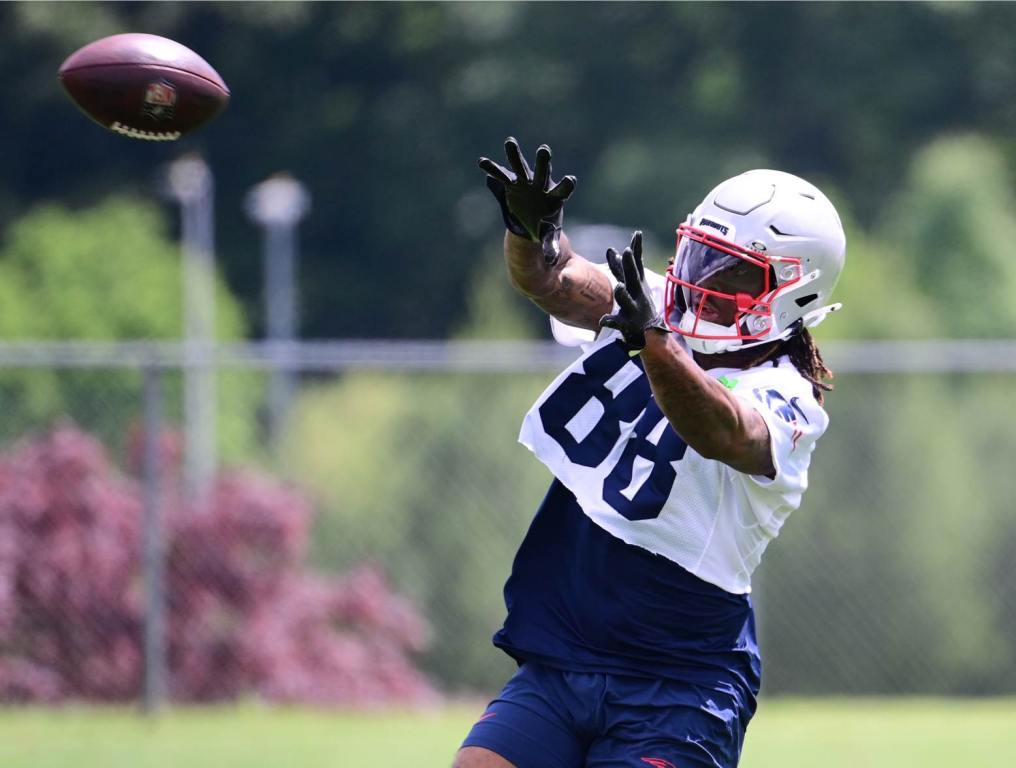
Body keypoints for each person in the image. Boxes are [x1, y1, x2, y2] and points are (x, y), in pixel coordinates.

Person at [455, 138, 846, 768]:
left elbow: (723, 430)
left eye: (735, 272)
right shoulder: (656, 312)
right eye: (703, 257)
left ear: (794, 294)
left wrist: (652, 341)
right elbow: (552, 280)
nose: (704, 283)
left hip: (679, 678)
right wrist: (530, 233)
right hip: (567, 651)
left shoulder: (790, 395)